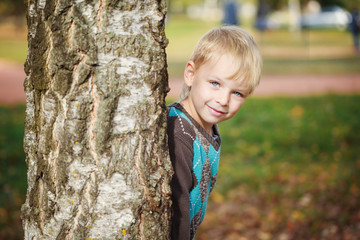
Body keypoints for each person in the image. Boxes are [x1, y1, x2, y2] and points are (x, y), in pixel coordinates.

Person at [167, 26, 262, 240]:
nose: (224, 100)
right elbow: (178, 209)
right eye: (215, 83)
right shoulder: (179, 132)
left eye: (237, 93)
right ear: (191, 74)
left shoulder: (207, 129)